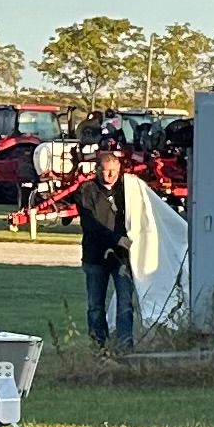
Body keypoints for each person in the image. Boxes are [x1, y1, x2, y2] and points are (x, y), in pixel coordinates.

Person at [63, 141, 138, 348]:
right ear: (97, 170)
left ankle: (125, 346)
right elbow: (91, 225)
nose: (110, 175)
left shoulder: (128, 190)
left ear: (120, 169)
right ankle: (99, 346)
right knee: (95, 306)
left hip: (122, 258)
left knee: (125, 304)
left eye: (114, 170)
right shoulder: (86, 191)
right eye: (106, 170)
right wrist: (117, 239)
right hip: (95, 257)